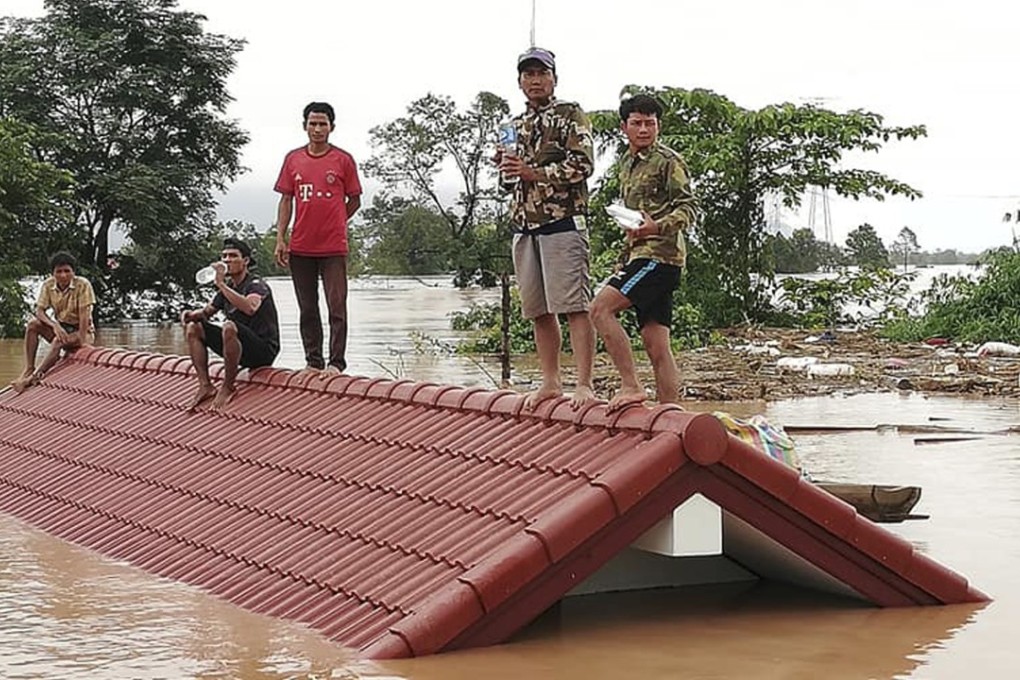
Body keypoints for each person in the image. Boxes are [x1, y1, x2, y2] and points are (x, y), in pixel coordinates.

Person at [497, 47, 596, 409]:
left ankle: (584, 384)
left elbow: (583, 166)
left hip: (562, 222)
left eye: (541, 73)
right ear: (520, 81)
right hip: (524, 226)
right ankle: (551, 382)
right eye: (528, 74)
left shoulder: (571, 114)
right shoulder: (513, 125)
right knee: (538, 310)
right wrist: (506, 168)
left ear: (554, 77)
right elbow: (507, 184)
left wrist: (533, 172)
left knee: (574, 306)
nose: (535, 80)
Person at [589, 94, 700, 411]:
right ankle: (670, 414)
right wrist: (623, 258)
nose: (643, 129)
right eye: (637, 123)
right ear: (624, 127)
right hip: (639, 256)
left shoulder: (668, 161)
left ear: (658, 126)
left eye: (649, 123)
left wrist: (657, 227)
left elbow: (689, 207)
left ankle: (631, 386)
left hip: (659, 257)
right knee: (656, 345)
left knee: (599, 309)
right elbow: (633, 219)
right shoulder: (626, 164)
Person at [274, 101, 362, 376]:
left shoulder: (343, 160)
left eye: (323, 124)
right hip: (301, 246)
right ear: (305, 126)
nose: (317, 129)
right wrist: (281, 237)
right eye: (313, 123)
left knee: (337, 305)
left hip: (333, 246)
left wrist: (337, 221)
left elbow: (355, 199)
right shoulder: (293, 159)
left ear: (331, 127)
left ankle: (336, 363)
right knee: (307, 308)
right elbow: (286, 200)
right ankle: (313, 361)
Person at [180, 238, 280, 410]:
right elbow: (207, 313)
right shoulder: (227, 288)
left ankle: (228, 386)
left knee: (228, 326)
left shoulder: (256, 285)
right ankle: (205, 386)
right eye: (224, 256)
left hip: (262, 349)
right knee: (194, 328)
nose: (227, 260)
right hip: (237, 344)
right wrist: (190, 315)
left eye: (233, 256)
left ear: (246, 261)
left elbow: (250, 308)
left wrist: (220, 284)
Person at [11, 251, 95, 393]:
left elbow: (84, 318)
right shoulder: (48, 285)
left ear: (73, 272)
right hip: (61, 327)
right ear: (53, 273)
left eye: (67, 271)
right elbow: (39, 311)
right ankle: (29, 368)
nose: (63, 275)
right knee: (32, 325)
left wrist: (80, 340)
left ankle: (33, 377)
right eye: (59, 271)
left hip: (81, 330)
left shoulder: (83, 285)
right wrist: (54, 325)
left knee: (57, 341)